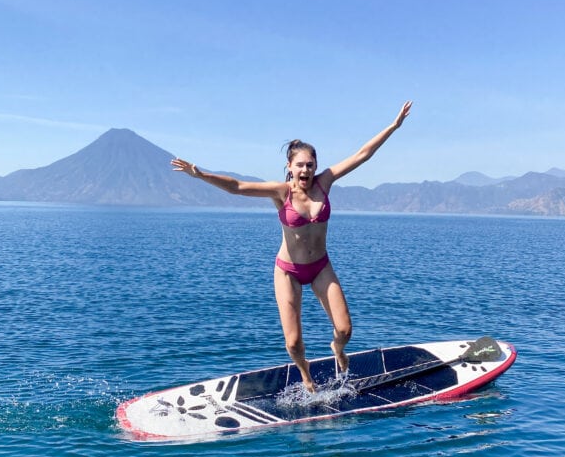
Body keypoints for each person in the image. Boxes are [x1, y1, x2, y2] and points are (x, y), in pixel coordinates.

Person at [171, 100, 412, 392]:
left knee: (345, 330)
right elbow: (237, 186)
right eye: (300, 165)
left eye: (310, 164)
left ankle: (336, 349)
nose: (306, 169)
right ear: (290, 167)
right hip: (288, 270)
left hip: (320, 266)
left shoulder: (325, 182)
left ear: (316, 166)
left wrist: (394, 126)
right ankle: (306, 375)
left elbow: (362, 154)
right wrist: (200, 174)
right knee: (294, 342)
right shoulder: (280, 192)